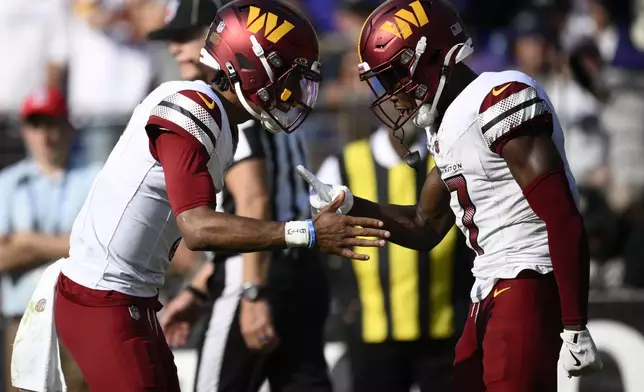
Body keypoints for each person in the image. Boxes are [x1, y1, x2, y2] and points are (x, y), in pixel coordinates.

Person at [42, 1, 389, 391]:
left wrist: (196, 287)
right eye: (287, 75)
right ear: (250, 66)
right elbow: (198, 226)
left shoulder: (225, 123)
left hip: (129, 296)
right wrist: (305, 232)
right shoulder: (193, 107)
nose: (293, 91)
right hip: (103, 297)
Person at [297, 0, 603, 391]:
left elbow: (561, 216)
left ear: (429, 57)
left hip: (526, 280)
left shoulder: (498, 97)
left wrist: (575, 322)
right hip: (490, 285)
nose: (389, 93)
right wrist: (350, 204)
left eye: (392, 75)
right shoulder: (448, 122)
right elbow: (424, 226)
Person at [148, 1, 332, 390]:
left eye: (187, 37)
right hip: (296, 266)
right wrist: (200, 289)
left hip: (257, 271)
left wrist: (252, 291)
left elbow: (254, 201)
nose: (177, 49)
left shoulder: (231, 102)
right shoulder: (267, 93)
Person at [316, 119, 473, 392]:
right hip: (371, 329)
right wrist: (345, 299)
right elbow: (320, 239)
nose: (402, 106)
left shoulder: (449, 160)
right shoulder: (341, 165)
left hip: (444, 327)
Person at [0, 87, 99, 392]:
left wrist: (27, 243)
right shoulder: (7, 182)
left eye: (52, 124)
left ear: (68, 127)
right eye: (36, 125)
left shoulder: (96, 176)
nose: (45, 135)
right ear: (25, 131)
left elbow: (101, 247)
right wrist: (69, 244)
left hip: (79, 322)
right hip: (25, 323)